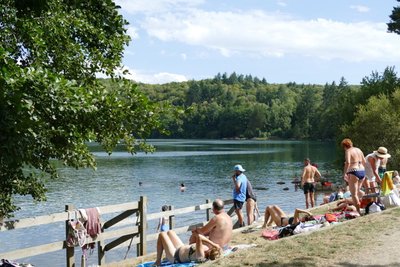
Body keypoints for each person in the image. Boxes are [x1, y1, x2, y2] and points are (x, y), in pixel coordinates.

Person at [154, 230, 221, 266]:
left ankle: (158, 261)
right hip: (180, 247)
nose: (210, 248)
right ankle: (165, 257)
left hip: (174, 256)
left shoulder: (201, 256)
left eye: (211, 249)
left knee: (162, 234)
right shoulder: (206, 249)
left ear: (210, 252)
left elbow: (199, 237)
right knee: (170, 232)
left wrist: (214, 244)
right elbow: (200, 237)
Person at [342, 138, 367, 214]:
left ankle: (359, 211)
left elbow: (348, 162)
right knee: (358, 191)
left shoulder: (348, 151)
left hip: (354, 171)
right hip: (362, 171)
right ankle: (364, 206)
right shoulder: (358, 150)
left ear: (344, 146)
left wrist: (345, 173)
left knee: (354, 194)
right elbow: (364, 161)